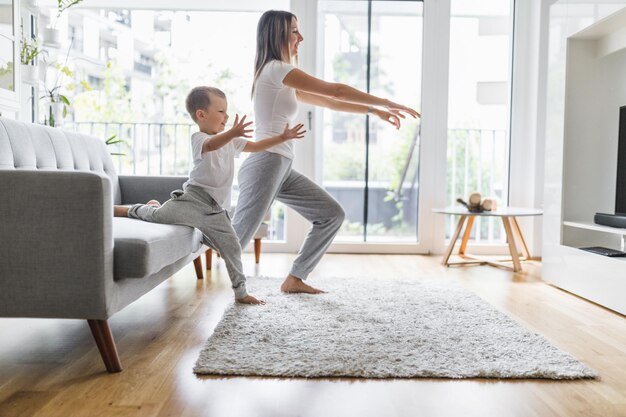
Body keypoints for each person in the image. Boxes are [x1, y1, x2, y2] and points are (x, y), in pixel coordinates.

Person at [232, 10, 420, 295]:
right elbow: (337, 91)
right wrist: (386, 101)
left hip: (280, 165)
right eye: (294, 31)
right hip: (266, 164)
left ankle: (295, 278)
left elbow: (330, 102)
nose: (301, 37)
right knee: (235, 239)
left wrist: (374, 111)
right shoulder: (275, 70)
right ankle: (178, 222)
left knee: (330, 214)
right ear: (278, 34)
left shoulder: (279, 75)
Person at [114, 86, 305, 305]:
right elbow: (212, 144)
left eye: (227, 111)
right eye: (221, 111)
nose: (226, 116)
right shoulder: (199, 138)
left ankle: (241, 293)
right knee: (156, 215)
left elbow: (255, 146)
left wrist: (282, 137)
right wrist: (232, 132)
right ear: (201, 115)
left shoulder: (230, 140)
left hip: (216, 210)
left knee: (232, 246)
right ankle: (132, 209)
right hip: (193, 200)